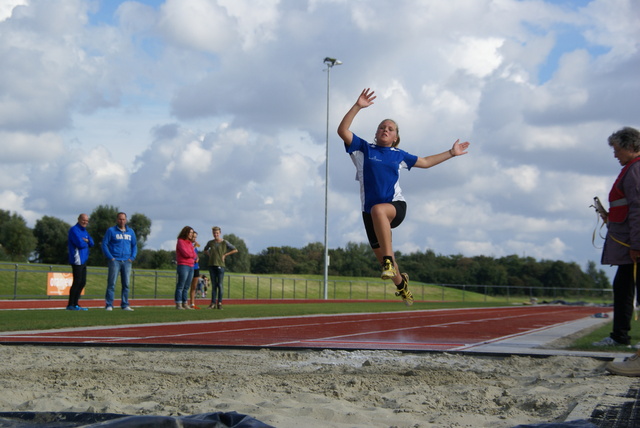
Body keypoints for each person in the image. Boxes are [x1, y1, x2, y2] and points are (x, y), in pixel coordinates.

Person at [337, 88, 470, 305]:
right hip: (369, 214)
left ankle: (389, 261)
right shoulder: (362, 149)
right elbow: (342, 130)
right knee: (386, 265)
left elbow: (425, 162)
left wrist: (451, 153)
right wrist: (358, 106)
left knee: (379, 210)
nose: (385, 130)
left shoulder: (398, 155)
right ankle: (402, 285)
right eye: (382, 127)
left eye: (390, 128)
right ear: (376, 132)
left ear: (396, 137)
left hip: (394, 207)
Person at [593, 127, 640, 347]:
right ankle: (619, 336)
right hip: (628, 244)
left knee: (624, 289)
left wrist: (637, 245)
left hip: (633, 247)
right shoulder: (631, 169)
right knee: (622, 288)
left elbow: (638, 209)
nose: (614, 154)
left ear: (631, 147)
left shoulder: (635, 170)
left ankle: (620, 336)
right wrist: (610, 218)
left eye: (617, 149)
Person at [102, 212, 137, 311]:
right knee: (111, 283)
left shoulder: (131, 232)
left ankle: (125, 304)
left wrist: (132, 257)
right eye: (120, 219)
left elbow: (134, 245)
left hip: (127, 261)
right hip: (115, 260)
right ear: (117, 220)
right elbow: (104, 244)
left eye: (123, 219)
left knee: (126, 284)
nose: (122, 221)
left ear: (126, 220)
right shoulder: (111, 231)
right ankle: (109, 304)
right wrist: (111, 257)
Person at [203, 226, 238, 309]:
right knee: (214, 285)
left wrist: (225, 255)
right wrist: (210, 255)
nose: (215, 234)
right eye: (214, 233)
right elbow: (205, 250)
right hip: (212, 265)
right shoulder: (210, 242)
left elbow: (235, 249)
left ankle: (220, 303)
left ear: (220, 233)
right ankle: (212, 303)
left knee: (220, 284)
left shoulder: (224, 242)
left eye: (217, 233)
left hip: (220, 265)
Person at [66, 213, 94, 311]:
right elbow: (80, 243)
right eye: (83, 220)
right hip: (77, 259)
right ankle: (71, 304)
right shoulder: (74, 230)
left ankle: (76, 303)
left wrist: (87, 241)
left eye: (86, 221)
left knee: (82, 282)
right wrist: (86, 242)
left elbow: (92, 242)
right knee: (77, 282)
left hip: (84, 259)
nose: (85, 222)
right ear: (78, 219)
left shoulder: (85, 231)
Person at [175, 226, 197, 310]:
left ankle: (185, 303)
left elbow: (194, 255)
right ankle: (178, 303)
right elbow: (186, 253)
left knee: (187, 286)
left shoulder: (190, 243)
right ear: (186, 232)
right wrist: (191, 255)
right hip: (183, 265)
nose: (192, 234)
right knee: (181, 285)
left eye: (192, 233)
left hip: (191, 265)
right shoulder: (180, 241)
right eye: (190, 232)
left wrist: (192, 255)